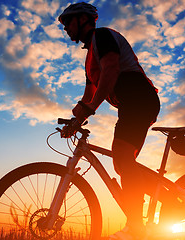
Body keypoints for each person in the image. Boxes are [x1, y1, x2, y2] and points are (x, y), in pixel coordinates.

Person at [59, 2, 160, 239]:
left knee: (123, 156)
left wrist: (90, 108)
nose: (65, 29)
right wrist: (74, 118)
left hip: (139, 98)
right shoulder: (89, 58)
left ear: (83, 20)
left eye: (68, 23)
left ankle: (135, 224)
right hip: (130, 104)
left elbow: (111, 70)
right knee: (122, 163)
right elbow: (88, 95)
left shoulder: (101, 36)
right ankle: (170, 202)